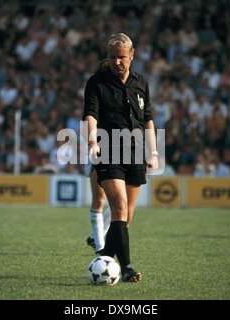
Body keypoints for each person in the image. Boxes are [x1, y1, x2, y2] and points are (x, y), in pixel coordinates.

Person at [83, 33, 158, 282]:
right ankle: (126, 268)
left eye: (122, 57)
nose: (117, 61)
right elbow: (91, 114)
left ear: (132, 55)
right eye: (113, 57)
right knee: (119, 208)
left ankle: (103, 256)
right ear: (108, 57)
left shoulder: (141, 83)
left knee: (126, 217)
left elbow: (147, 119)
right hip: (108, 150)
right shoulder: (96, 82)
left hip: (135, 152)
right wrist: (93, 141)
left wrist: (153, 152)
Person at [85, 160, 111, 256]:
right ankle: (100, 248)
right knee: (99, 200)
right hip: (100, 153)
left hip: (123, 153)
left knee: (122, 203)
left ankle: (94, 238)